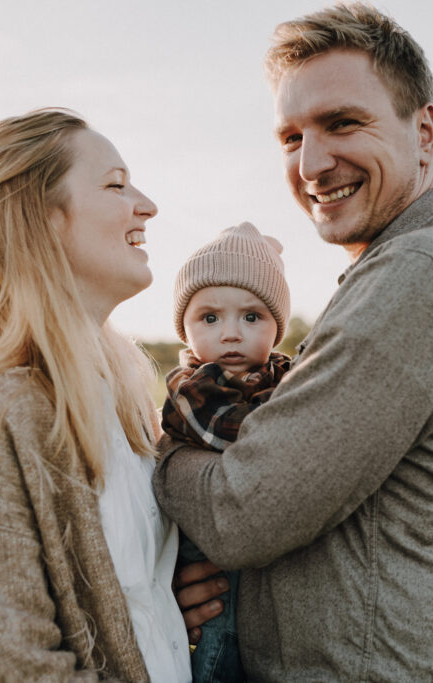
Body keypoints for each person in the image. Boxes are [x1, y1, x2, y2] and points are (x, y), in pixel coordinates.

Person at [154, 4, 433, 681]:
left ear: (425, 130)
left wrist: (159, 453)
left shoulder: (424, 270)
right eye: (291, 136)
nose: (312, 163)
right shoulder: (401, 264)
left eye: (343, 123)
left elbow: (245, 511)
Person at [0, 109, 195, 682]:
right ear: (43, 219)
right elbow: (8, 668)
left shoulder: (119, 396)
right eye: (116, 185)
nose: (147, 205)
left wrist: (173, 589)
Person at [160, 222, 292, 683]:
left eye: (252, 317)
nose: (231, 334)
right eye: (210, 318)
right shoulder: (193, 386)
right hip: (211, 550)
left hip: (268, 561)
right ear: (186, 327)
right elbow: (238, 438)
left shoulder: (288, 376)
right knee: (221, 643)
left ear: (278, 327)